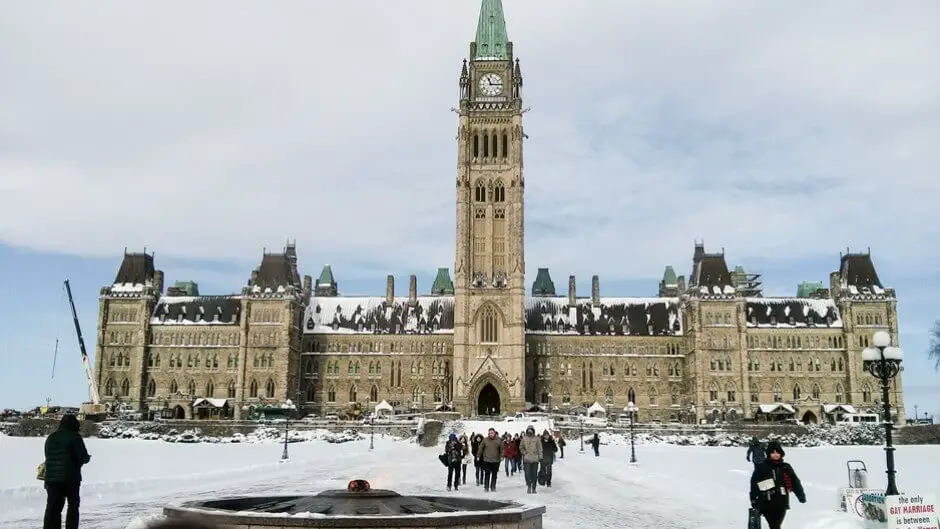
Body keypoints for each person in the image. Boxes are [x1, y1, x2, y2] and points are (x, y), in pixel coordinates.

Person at [42, 414, 91, 529]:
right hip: (70, 478)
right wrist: (87, 458)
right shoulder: (75, 437)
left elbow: (48, 455)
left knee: (53, 508)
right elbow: (83, 457)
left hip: (51, 478)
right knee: (72, 506)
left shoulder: (51, 437)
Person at [749, 441, 806, 529]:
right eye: (773, 452)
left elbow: (795, 481)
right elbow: (754, 484)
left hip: (781, 501)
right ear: (769, 454)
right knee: (774, 525)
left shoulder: (785, 467)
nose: (775, 454)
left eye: (778, 452)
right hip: (766, 501)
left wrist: (800, 495)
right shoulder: (762, 466)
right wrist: (753, 499)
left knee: (777, 524)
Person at [518, 426, 543, 493]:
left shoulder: (537, 439)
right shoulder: (524, 439)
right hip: (527, 459)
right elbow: (521, 447)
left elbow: (540, 448)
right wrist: (524, 453)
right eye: (528, 431)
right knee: (527, 474)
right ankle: (529, 486)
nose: (530, 432)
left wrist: (540, 457)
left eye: (531, 431)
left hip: (535, 459)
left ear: (533, 431)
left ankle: (534, 487)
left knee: (534, 474)